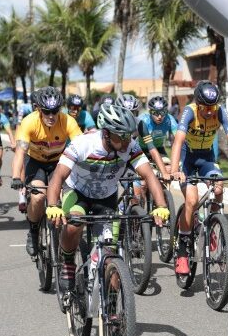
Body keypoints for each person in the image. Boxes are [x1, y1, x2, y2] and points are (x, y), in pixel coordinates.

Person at [45, 104, 171, 292]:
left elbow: (149, 175)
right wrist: (53, 205)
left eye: (129, 136)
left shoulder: (130, 147)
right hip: (77, 193)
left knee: (110, 256)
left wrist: (161, 206)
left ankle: (113, 314)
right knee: (74, 223)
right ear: (106, 133)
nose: (127, 141)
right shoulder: (83, 144)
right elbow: (58, 176)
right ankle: (68, 261)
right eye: (122, 136)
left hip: (106, 198)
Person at [170, 80, 228, 275]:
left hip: (206, 158)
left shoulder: (220, 111)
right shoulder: (189, 111)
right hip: (187, 159)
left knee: (218, 188)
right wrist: (175, 169)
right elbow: (177, 142)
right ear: (198, 103)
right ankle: (183, 249)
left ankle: (212, 225)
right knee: (192, 201)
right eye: (206, 107)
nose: (210, 111)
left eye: (213, 106)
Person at [10, 87, 82, 257]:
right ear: (38, 109)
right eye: (46, 111)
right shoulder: (29, 122)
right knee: (38, 196)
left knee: (67, 197)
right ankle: (33, 231)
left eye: (55, 111)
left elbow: (82, 146)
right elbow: (20, 152)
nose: (51, 116)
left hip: (58, 162)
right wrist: (15, 176)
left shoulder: (68, 121)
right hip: (35, 162)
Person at [136, 96, 178, 200]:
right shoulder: (143, 120)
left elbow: (179, 140)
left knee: (168, 169)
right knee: (143, 183)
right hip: (142, 150)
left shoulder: (169, 119)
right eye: (155, 113)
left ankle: (162, 196)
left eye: (162, 112)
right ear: (150, 112)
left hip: (159, 149)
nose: (159, 116)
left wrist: (178, 163)